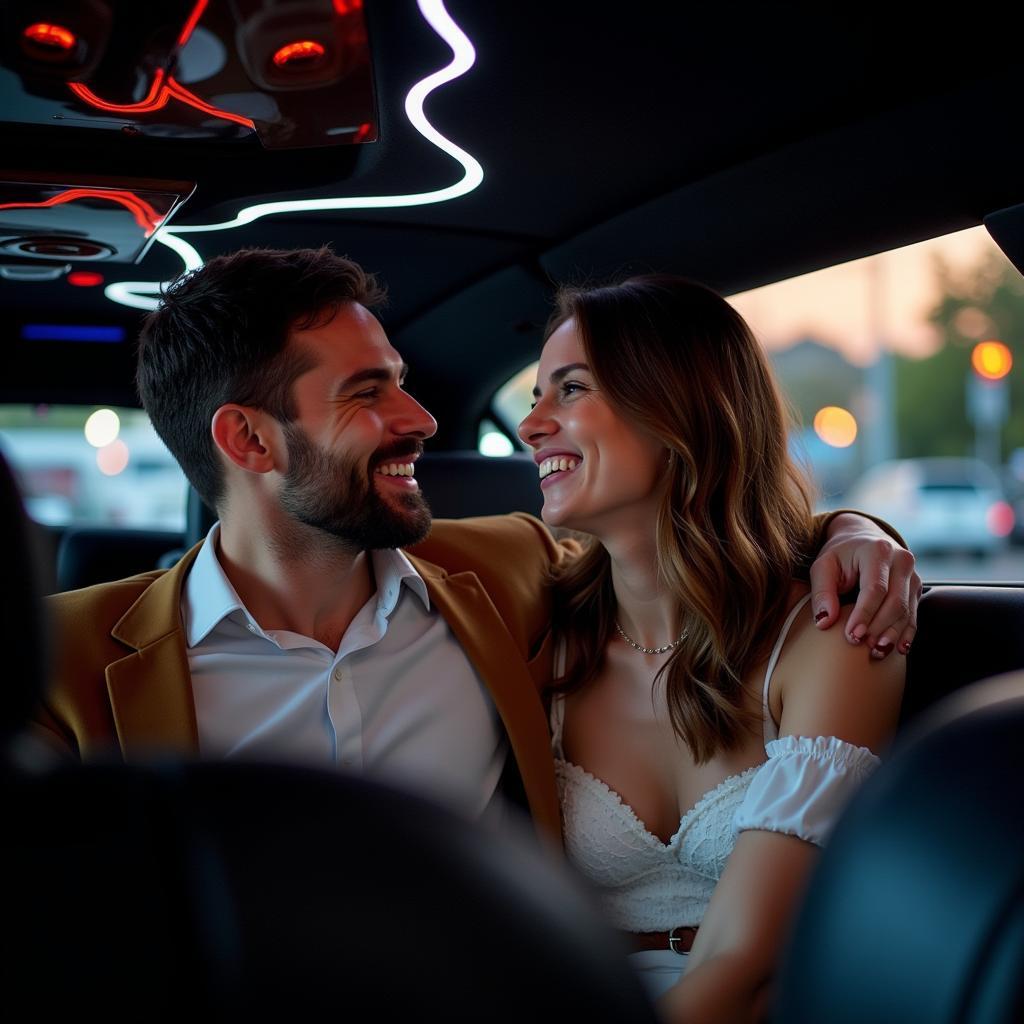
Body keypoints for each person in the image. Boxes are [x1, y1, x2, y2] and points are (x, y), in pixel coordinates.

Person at [34, 247, 915, 851]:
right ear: (250, 442)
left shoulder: (512, 573)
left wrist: (859, 532)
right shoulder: (55, 659)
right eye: (367, 393)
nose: (417, 422)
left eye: (405, 384)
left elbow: (703, 532)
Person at [516, 274, 906, 1020]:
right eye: (536, 394)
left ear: (675, 412)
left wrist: (858, 532)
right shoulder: (539, 626)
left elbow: (745, 963)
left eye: (569, 390)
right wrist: (856, 526)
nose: (533, 425)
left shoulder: (834, 634)